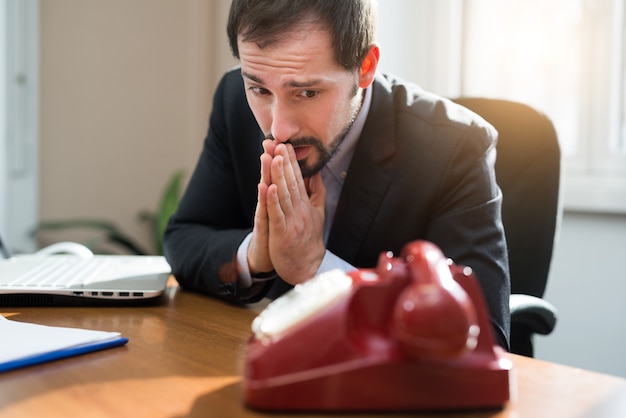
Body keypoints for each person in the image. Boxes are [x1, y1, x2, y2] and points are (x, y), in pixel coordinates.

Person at [164, 0, 510, 349]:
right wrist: (256, 255)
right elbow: (185, 237)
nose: (278, 128)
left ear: (366, 67)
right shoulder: (233, 100)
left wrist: (316, 268)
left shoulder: (457, 146)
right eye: (259, 89)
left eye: (307, 92)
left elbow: (481, 336)